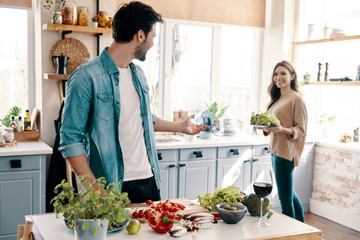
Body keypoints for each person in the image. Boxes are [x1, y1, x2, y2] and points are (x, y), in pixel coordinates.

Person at [59, 1, 208, 203]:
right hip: (111, 187)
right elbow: (70, 139)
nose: (153, 43)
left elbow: (142, 117)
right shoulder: (86, 77)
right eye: (153, 37)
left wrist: (180, 126)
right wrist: (95, 190)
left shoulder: (138, 74)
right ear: (140, 35)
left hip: (149, 180)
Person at [260, 60, 307, 222]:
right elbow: (275, 125)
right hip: (275, 150)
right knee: (290, 194)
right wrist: (266, 128)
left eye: (283, 73)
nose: (278, 77)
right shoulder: (277, 98)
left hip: (286, 153)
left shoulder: (296, 99)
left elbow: (301, 129)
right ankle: (303, 231)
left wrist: (282, 129)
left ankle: (291, 234)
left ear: (292, 76)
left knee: (285, 198)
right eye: (275, 74)